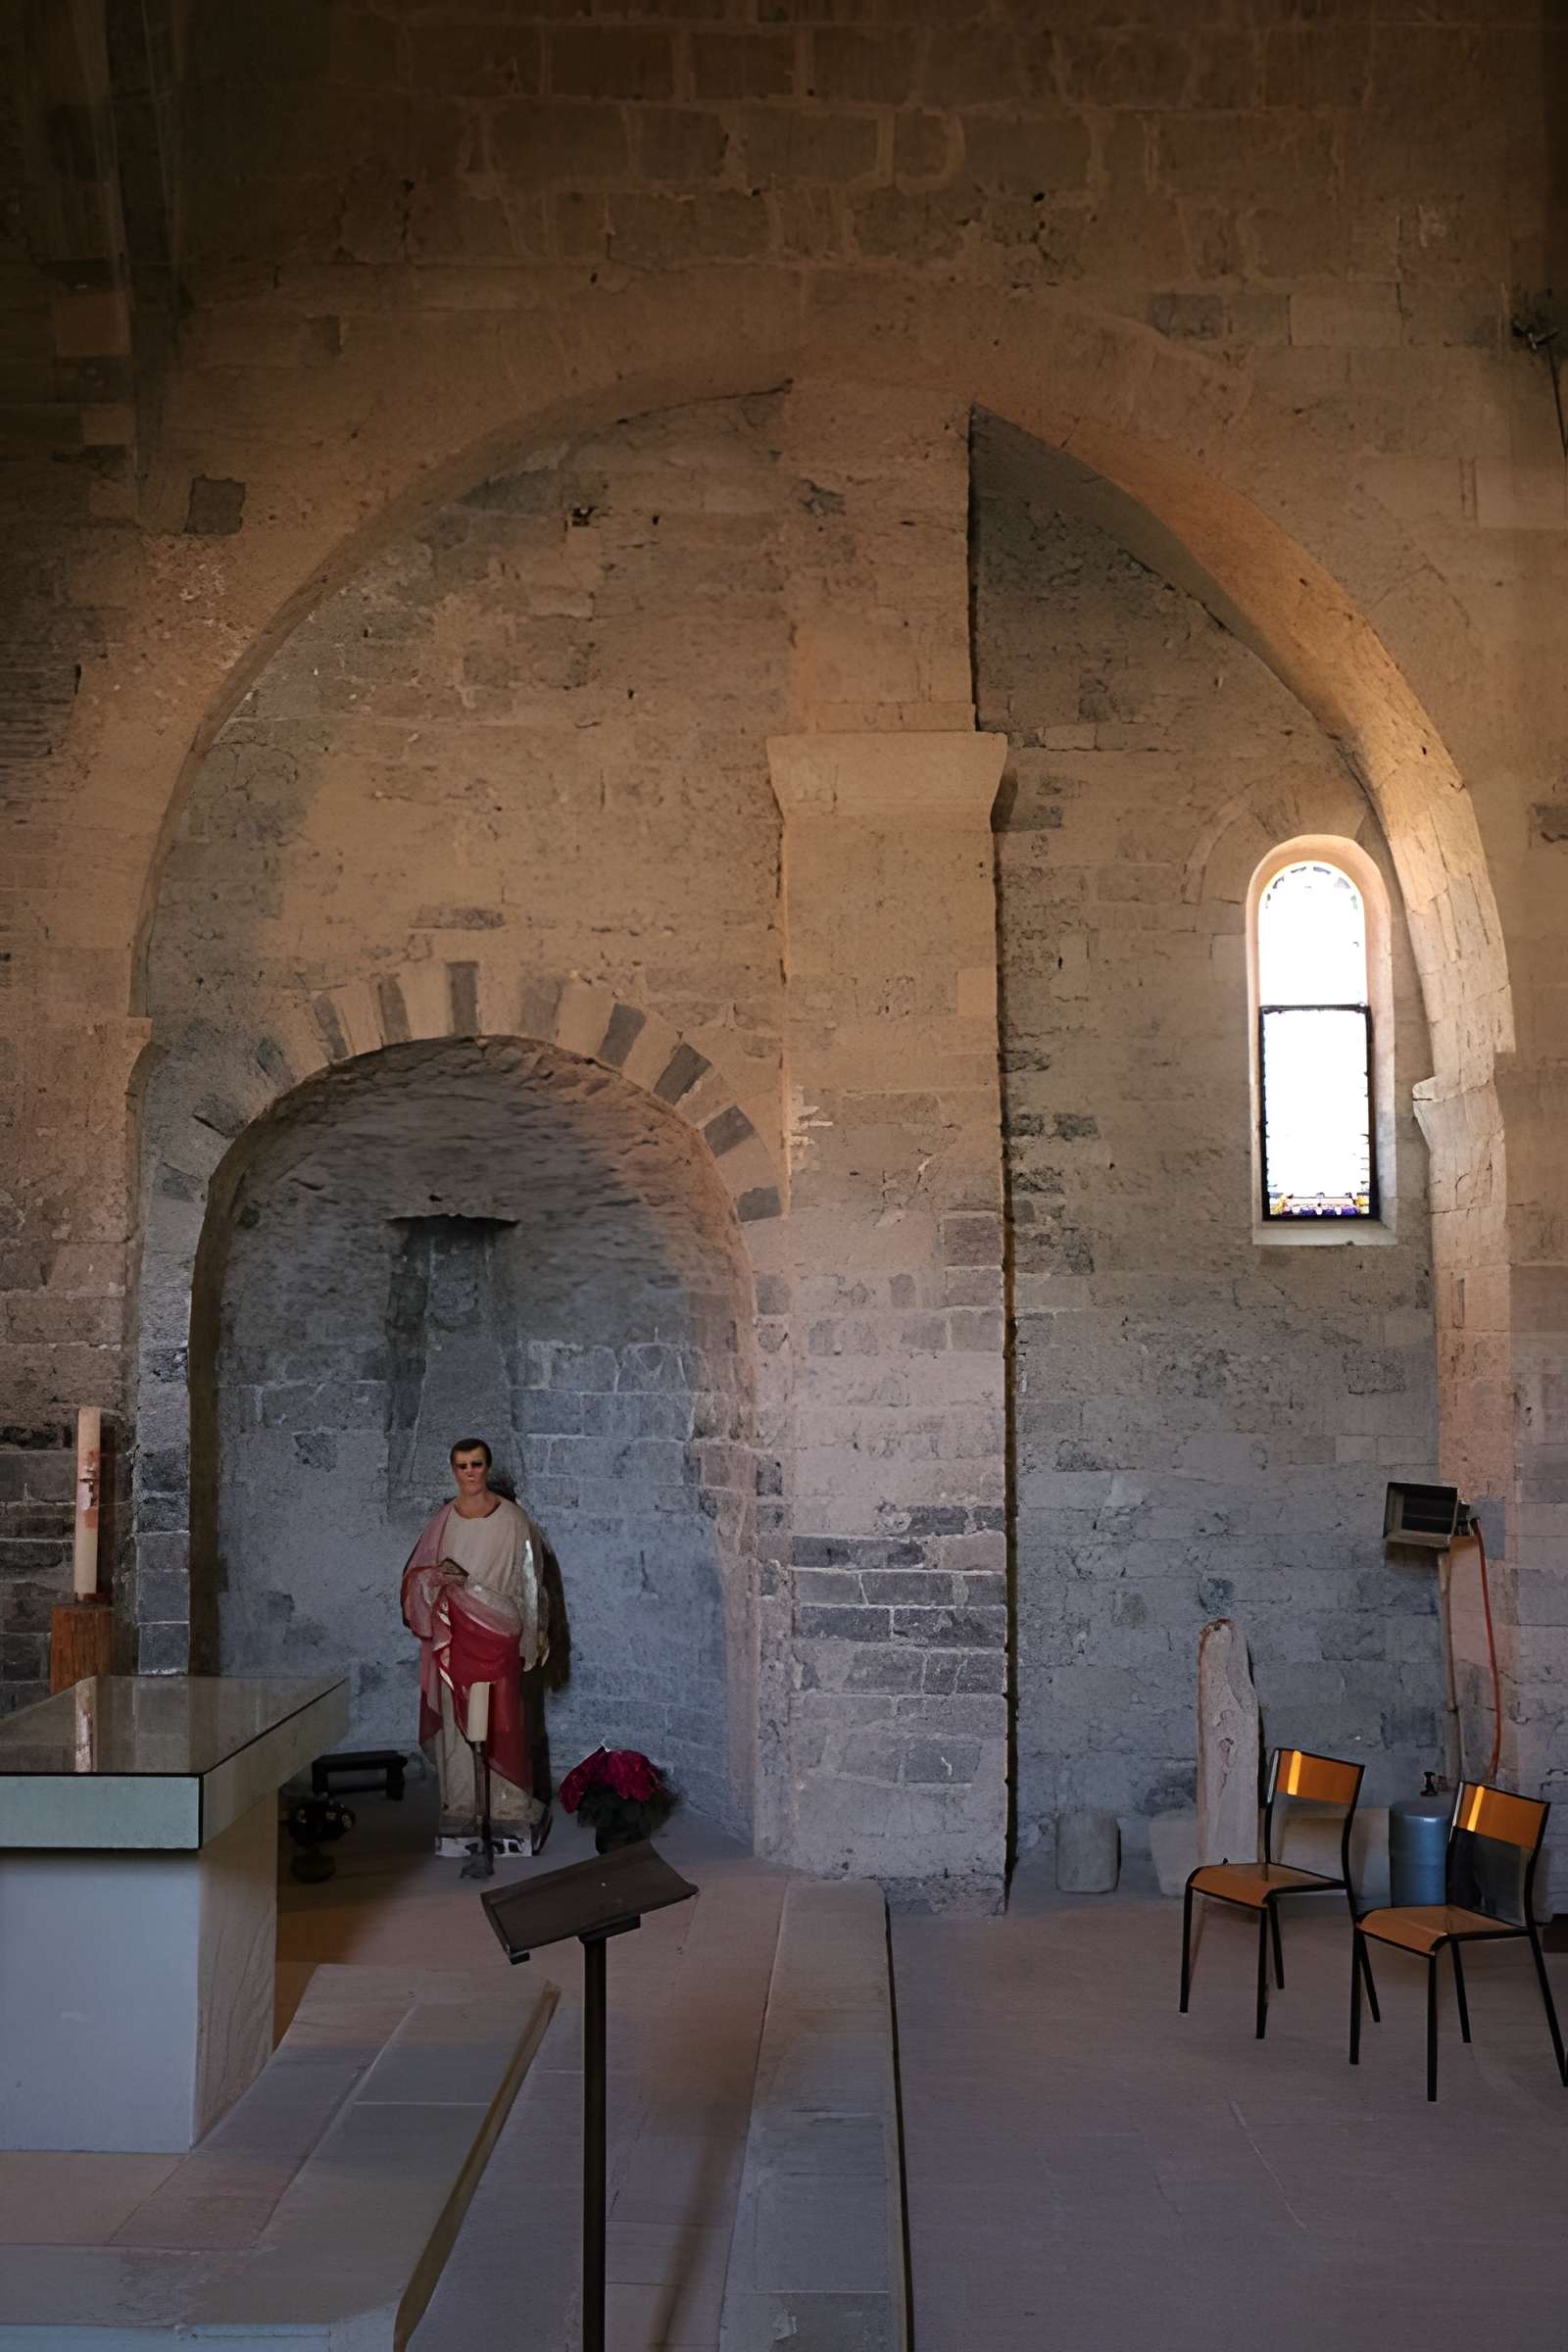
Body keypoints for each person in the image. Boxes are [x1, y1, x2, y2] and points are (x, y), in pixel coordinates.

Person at [400, 1438, 551, 1855]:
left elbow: (530, 1583)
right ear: (453, 1470)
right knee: (456, 1721)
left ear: (488, 1466)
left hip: (498, 1633)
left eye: (477, 1464)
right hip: (455, 1636)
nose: (470, 1472)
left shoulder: (514, 1521)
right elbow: (416, 1577)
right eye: (462, 1465)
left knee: (504, 1719)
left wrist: (532, 1635)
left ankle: (509, 1803)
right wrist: (436, 1579)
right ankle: (464, 1801)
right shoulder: (442, 1521)